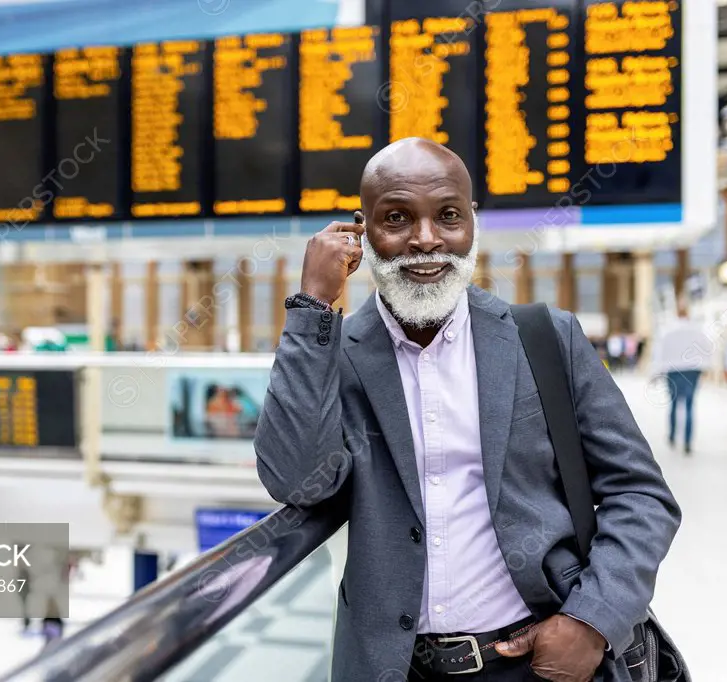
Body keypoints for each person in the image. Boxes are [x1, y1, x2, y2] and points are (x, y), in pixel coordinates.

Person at [254, 138, 681, 682]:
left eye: (448, 216)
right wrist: (313, 304)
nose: (426, 239)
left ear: (472, 222)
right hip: (396, 668)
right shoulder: (333, 357)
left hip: (538, 661)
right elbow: (295, 481)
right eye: (397, 218)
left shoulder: (547, 339)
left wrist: (590, 621)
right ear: (363, 231)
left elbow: (641, 494)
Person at [652, 303, 713, 454]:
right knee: (689, 405)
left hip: (674, 370)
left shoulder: (668, 330)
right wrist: (707, 368)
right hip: (693, 370)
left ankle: (672, 436)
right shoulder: (697, 329)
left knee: (673, 404)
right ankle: (687, 441)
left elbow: (660, 352)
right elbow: (706, 348)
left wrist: (655, 372)